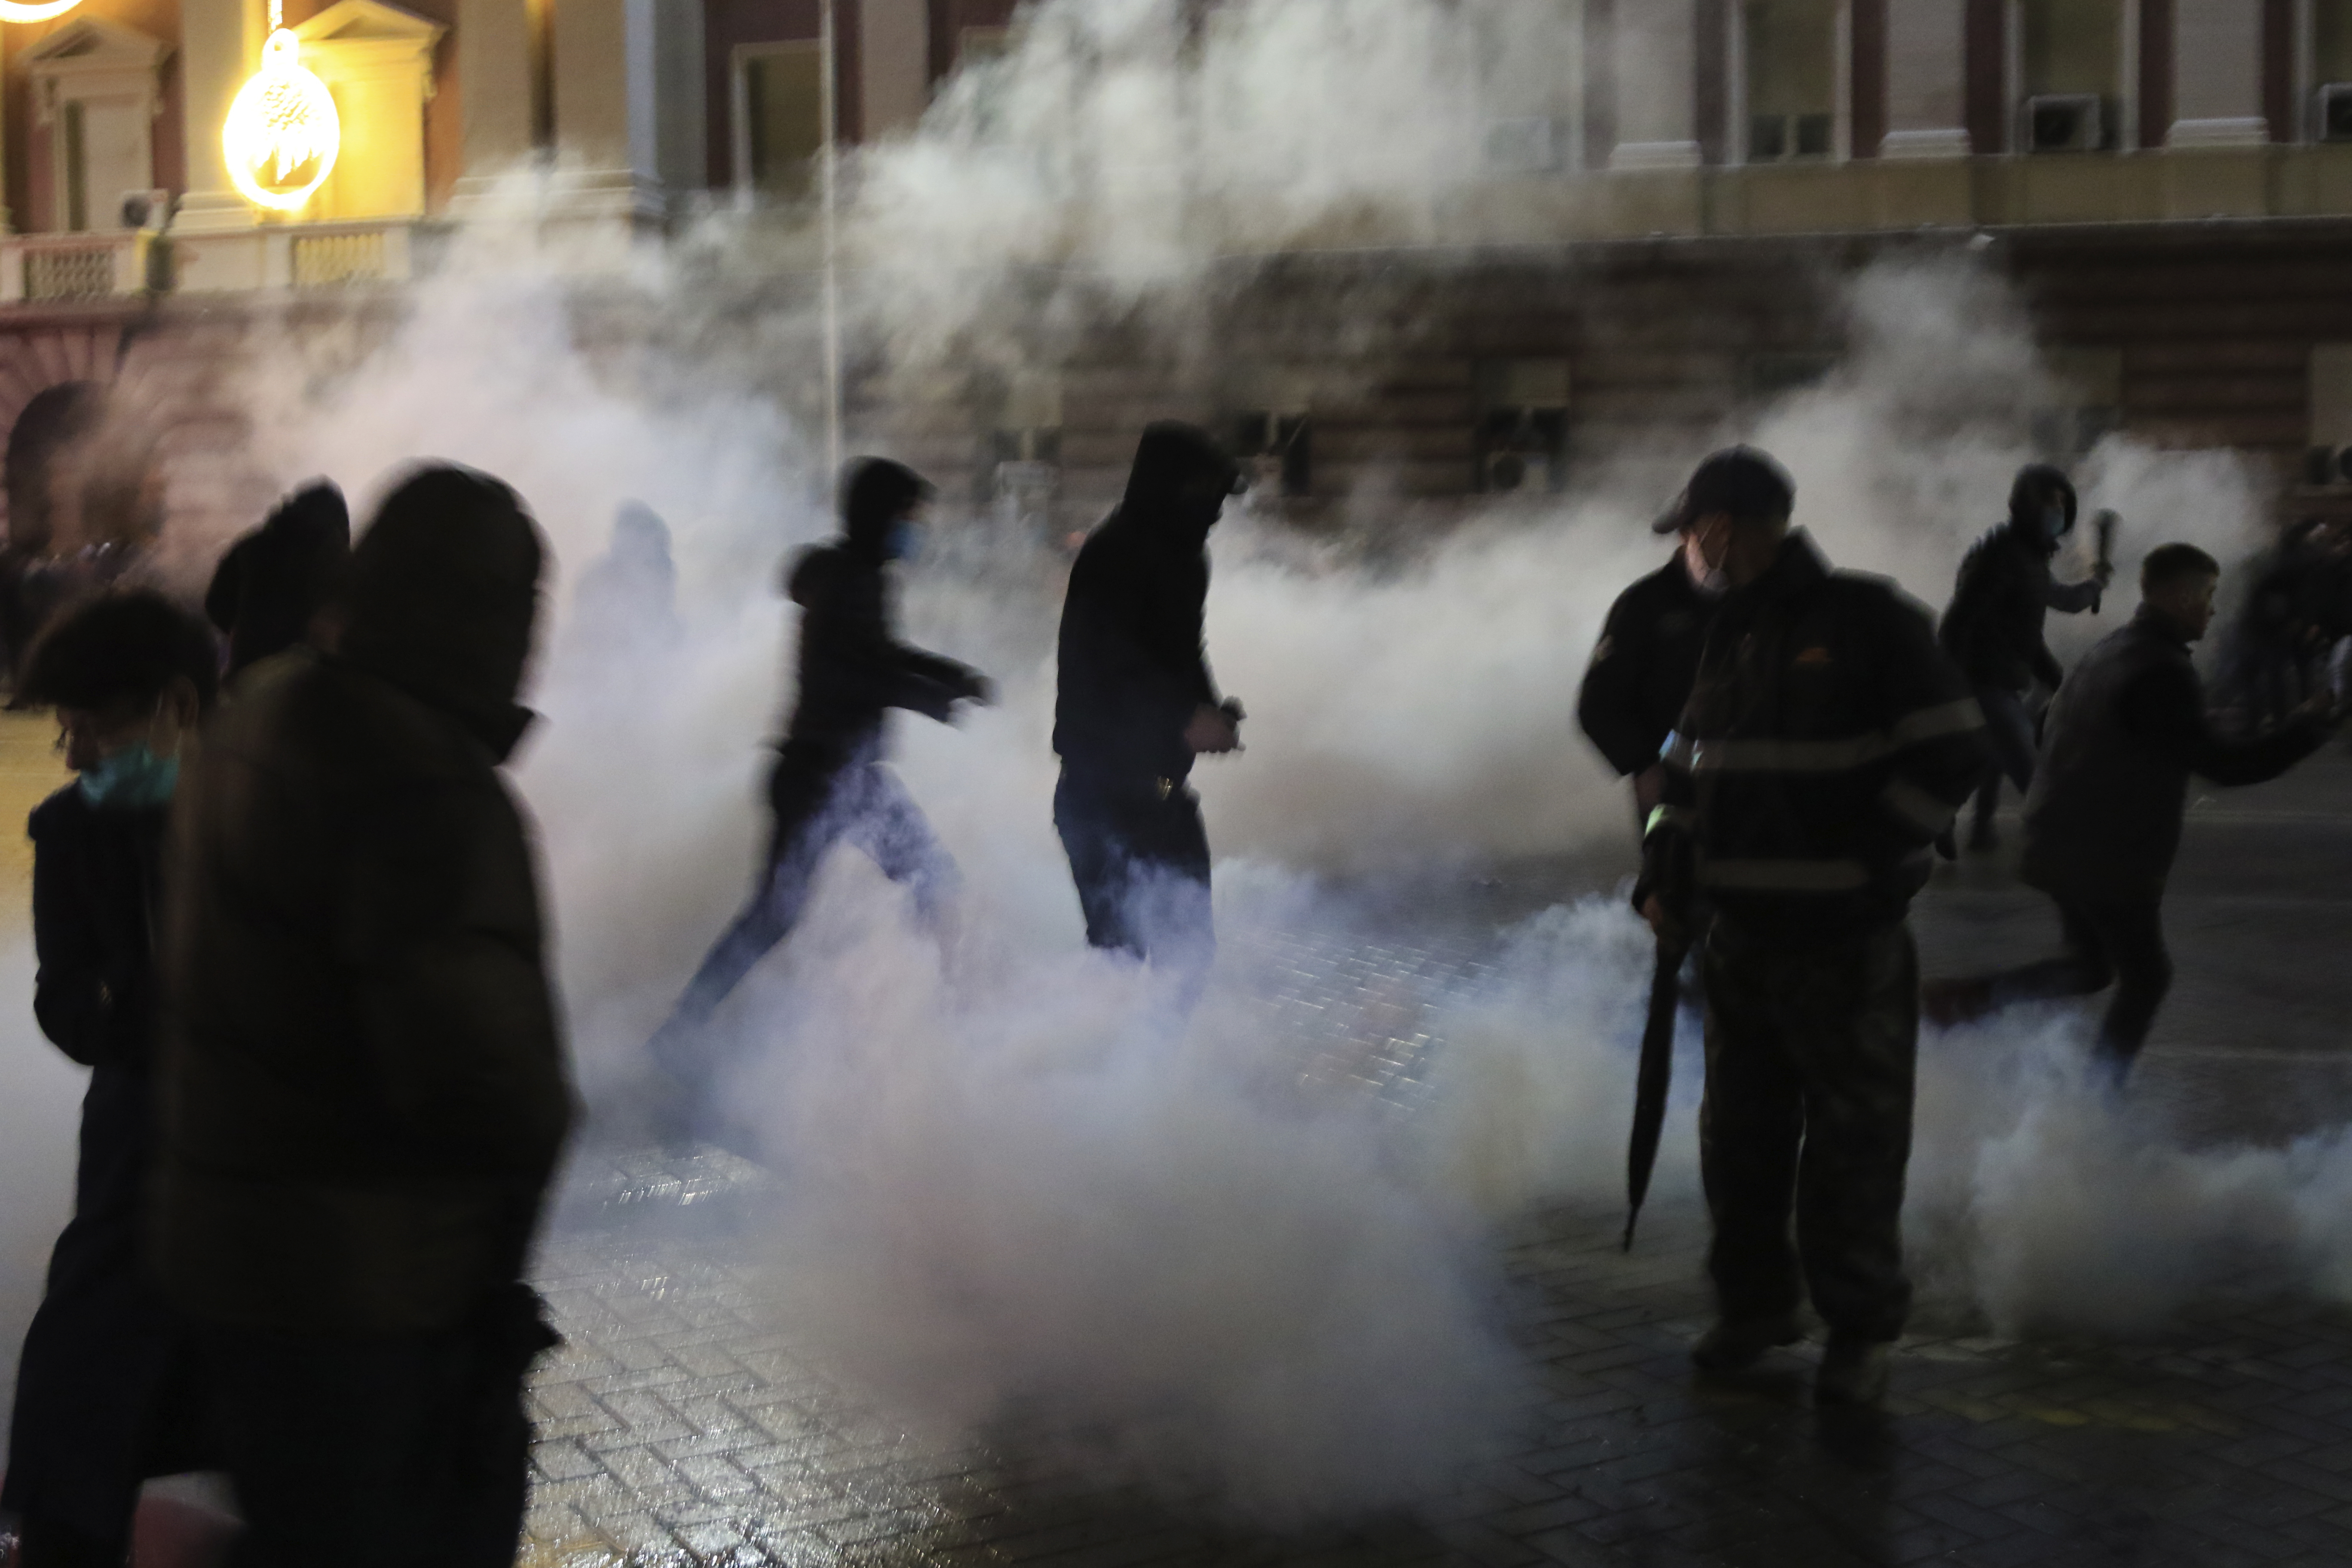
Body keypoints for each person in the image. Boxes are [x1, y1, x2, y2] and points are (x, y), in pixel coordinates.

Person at [155, 464, 574, 1565]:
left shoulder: (261, 708)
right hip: (363, 1287)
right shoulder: (420, 779)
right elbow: (484, 1080)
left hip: (230, 1252)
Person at [1637, 446, 1984, 1407]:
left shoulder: (1868, 621)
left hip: (1843, 945)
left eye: (1691, 532)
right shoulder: (1729, 636)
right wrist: (1663, 866)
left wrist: (1870, 862)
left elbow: (1956, 750)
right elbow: (1681, 774)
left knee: (1852, 1150)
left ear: (1722, 529)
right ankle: (1755, 1311)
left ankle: (1858, 1332)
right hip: (1740, 944)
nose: (1687, 552)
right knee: (1739, 1146)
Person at [1923, 545, 2336, 1074]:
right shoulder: (2162, 671)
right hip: (2107, 855)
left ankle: (1964, 999)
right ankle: (2100, 1095)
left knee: (2090, 965)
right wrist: (2307, 727)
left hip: (2057, 838)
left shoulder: (2112, 649)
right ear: (2182, 596)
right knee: (2147, 978)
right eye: (2208, 596)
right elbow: (2227, 766)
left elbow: (2052, 726)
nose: (2213, 609)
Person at [649, 460, 989, 1090]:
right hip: (828, 778)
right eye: (907, 517)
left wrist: (948, 676)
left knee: (895, 890)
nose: (914, 530)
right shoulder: (851, 582)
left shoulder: (853, 575)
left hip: (835, 775)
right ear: (879, 517)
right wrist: (934, 695)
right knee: (806, 909)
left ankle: (949, 1025)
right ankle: (950, 1034)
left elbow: (876, 656)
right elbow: (854, 676)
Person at [3, 593, 217, 1567]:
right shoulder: (72, 831)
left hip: (254, 1156)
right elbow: (64, 1003)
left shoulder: (264, 818)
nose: (74, 754)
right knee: (84, 1376)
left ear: (179, 706)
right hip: (135, 1138)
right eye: (66, 729)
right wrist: (143, 1008)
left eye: (92, 728)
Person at [1052, 422, 1247, 990]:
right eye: (1206, 494)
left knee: (1189, 953)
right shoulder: (1113, 555)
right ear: (1170, 487)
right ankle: (1096, 1049)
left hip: (1161, 792)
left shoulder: (1188, 558)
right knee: (1121, 963)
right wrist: (1184, 719)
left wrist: (1212, 710)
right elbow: (1108, 669)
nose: (1215, 511)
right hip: (1101, 795)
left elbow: (1184, 652)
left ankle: (1154, 1051)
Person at [1937, 463, 2110, 851]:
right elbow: (1963, 620)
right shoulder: (2001, 558)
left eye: (2063, 504)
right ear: (2028, 505)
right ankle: (2066, 843)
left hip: (2000, 677)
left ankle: (1970, 826)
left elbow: (2058, 601)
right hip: (1984, 680)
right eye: (2051, 503)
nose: (2058, 512)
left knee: (1991, 757)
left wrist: (2095, 584)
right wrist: (1947, 678)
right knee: (2026, 766)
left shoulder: (2028, 558)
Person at [1577, 492, 1726, 828]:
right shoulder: (1645, 605)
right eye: (1712, 532)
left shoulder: (1762, 600)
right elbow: (1599, 703)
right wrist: (1643, 764)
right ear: (1686, 534)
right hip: (1674, 793)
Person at [202, 481, 352, 680]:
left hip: (249, 669)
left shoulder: (253, 545)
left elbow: (215, 604)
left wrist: (245, 630)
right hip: (306, 677)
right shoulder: (336, 559)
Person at [563, 500, 683, 670]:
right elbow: (584, 622)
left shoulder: (662, 568)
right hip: (597, 658)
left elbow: (662, 614)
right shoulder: (596, 577)